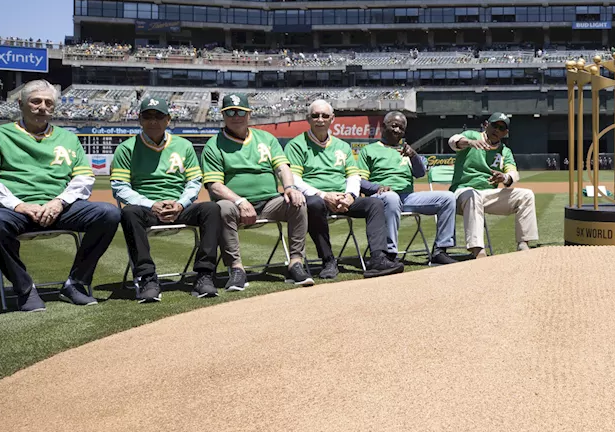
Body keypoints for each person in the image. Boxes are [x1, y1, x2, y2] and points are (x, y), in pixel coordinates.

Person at [0, 80, 120, 311]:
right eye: (36, 101)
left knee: (108, 213)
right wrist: (19, 205)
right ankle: (24, 289)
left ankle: (76, 284)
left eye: (48, 103)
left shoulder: (68, 138)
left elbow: (83, 179)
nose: (42, 107)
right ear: (21, 104)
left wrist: (59, 202)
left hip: (59, 208)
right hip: (16, 210)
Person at [111, 96, 229, 301]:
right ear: (139, 119)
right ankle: (147, 277)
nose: (153, 121)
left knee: (211, 208)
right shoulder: (126, 148)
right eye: (148, 116)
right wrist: (152, 204)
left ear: (168, 120)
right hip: (146, 208)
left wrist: (180, 204)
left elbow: (194, 182)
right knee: (128, 212)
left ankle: (204, 275)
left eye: (159, 116)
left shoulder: (183, 146)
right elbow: (120, 187)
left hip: (178, 206)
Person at [201, 92, 313, 289]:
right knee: (223, 208)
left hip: (270, 202)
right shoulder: (214, 145)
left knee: (298, 201)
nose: (236, 116)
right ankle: (236, 269)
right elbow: (214, 185)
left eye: (240, 112)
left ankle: (296, 263)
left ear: (249, 114)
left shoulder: (266, 139)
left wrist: (290, 187)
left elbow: (282, 167)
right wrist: (240, 201)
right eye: (231, 112)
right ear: (223, 116)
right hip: (236, 205)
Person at [283, 100, 401, 279]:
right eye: (315, 115)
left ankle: (378, 258)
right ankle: (328, 260)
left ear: (332, 119)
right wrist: (324, 195)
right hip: (317, 197)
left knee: (375, 203)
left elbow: (353, 176)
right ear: (308, 118)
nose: (320, 119)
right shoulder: (297, 145)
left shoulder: (342, 146)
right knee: (313, 204)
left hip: (343, 196)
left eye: (324, 115)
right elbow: (295, 180)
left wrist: (350, 196)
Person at [360, 110, 458, 266]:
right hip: (382, 197)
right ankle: (390, 254)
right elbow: (360, 181)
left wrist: (413, 156)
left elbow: (419, 174)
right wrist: (378, 187)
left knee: (448, 198)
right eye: (394, 126)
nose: (398, 130)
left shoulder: (406, 151)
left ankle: (441, 250)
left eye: (401, 128)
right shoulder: (368, 150)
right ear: (383, 127)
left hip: (407, 197)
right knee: (391, 198)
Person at [448, 113, 538, 258]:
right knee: (473, 195)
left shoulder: (505, 151)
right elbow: (453, 141)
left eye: (501, 128)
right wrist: (470, 142)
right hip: (463, 192)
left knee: (526, 195)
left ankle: (523, 244)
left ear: (505, 133)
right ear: (486, 125)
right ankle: (478, 250)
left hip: (487, 195)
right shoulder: (471, 135)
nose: (497, 129)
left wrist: (504, 177)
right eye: (494, 125)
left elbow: (513, 174)